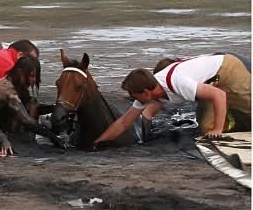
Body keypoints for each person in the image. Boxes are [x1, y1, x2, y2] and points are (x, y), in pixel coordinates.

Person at [94, 53, 252, 147]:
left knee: (247, 111)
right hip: (209, 85)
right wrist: (97, 143)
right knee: (206, 129)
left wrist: (218, 131)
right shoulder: (151, 90)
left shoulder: (177, 82)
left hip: (228, 70)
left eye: (134, 95)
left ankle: (233, 116)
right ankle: (231, 118)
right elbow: (123, 123)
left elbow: (219, 95)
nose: (132, 98)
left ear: (146, 92)